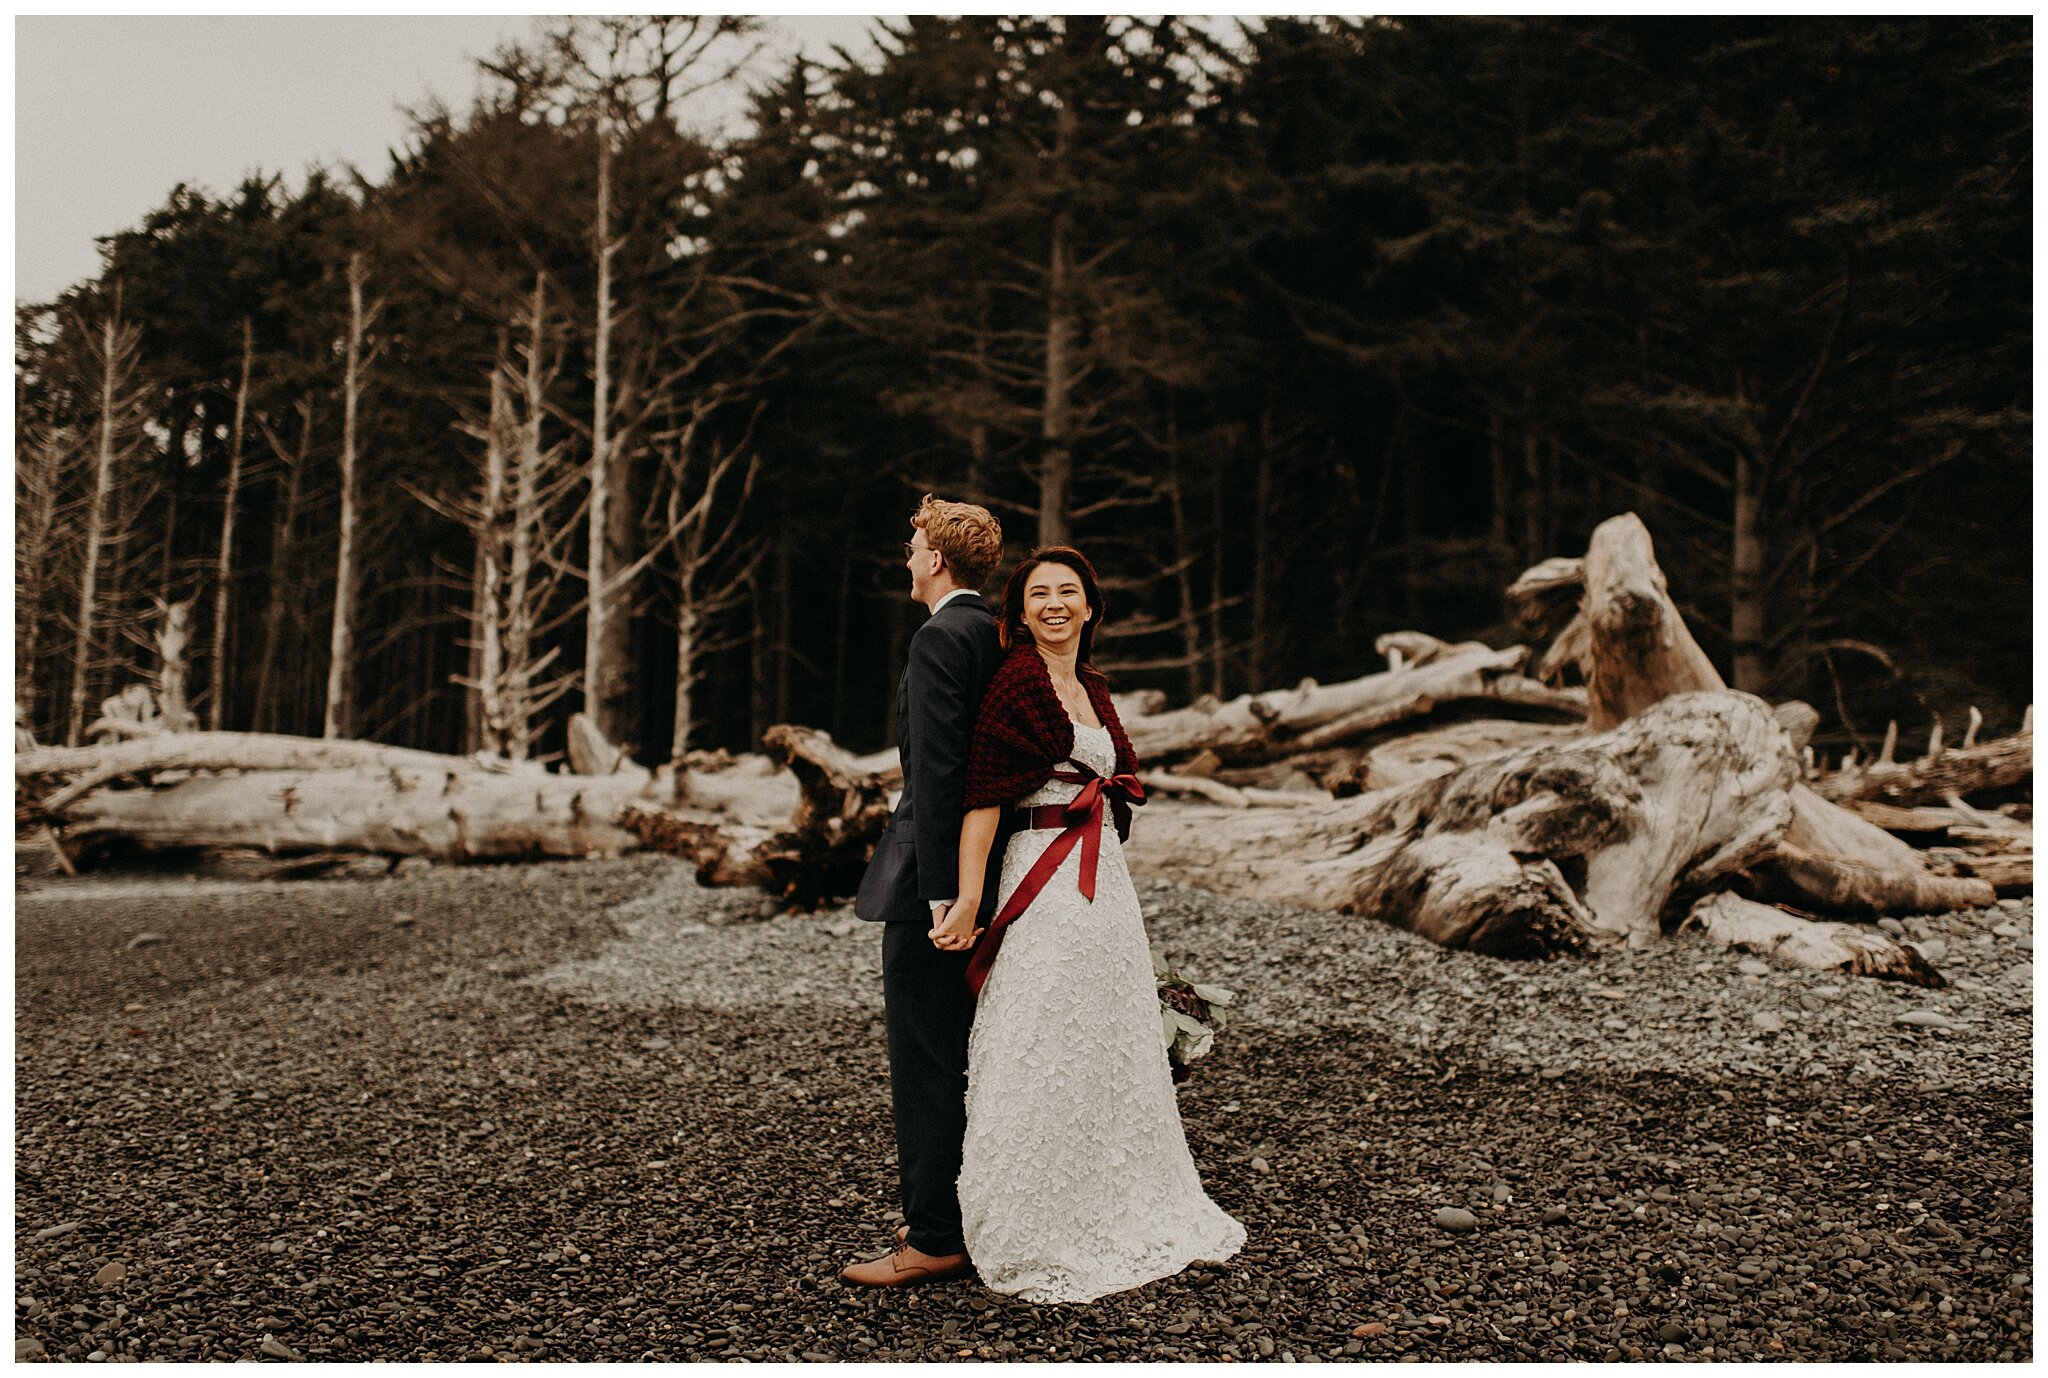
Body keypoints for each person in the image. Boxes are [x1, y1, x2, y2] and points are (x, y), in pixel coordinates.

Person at [931, 546, 1245, 1303]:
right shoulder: (1016, 685)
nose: (1054, 604)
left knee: (1106, 1034)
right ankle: (1030, 1217)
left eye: (1067, 592)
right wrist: (968, 898)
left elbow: (1113, 786)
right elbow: (983, 801)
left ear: (1091, 607)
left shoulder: (1093, 688)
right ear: (1020, 611)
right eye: (1038, 594)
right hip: (1043, 875)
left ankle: (1111, 1194)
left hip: (1104, 884)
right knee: (1042, 1029)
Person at [841, 495, 1007, 1289]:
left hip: (935, 888)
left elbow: (939, 772)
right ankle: (973, 1212)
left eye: (913, 548)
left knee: (928, 1061)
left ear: (937, 559)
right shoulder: (997, 634)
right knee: (977, 1055)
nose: (907, 560)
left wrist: (944, 892)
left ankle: (935, 1234)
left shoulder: (942, 635)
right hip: (995, 874)